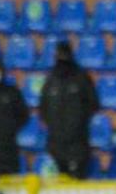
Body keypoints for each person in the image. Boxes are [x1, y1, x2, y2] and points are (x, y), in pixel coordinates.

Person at [38, 40, 98, 179]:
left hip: (79, 142)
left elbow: (93, 104)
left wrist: (78, 122)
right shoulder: (50, 80)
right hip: (56, 143)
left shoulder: (81, 77)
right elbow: (43, 108)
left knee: (78, 184)